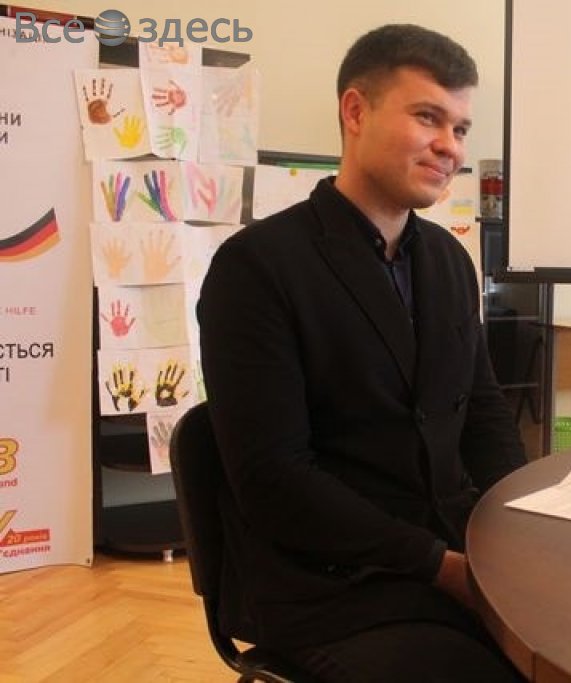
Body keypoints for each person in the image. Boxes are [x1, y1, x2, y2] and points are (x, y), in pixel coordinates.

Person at [198, 24, 526, 682]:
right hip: (331, 587)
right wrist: (442, 567)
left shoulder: (449, 261)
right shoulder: (258, 266)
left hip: (450, 552)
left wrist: (520, 532)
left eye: (460, 128)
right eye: (428, 117)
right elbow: (274, 480)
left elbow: (484, 414)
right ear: (355, 111)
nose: (450, 145)